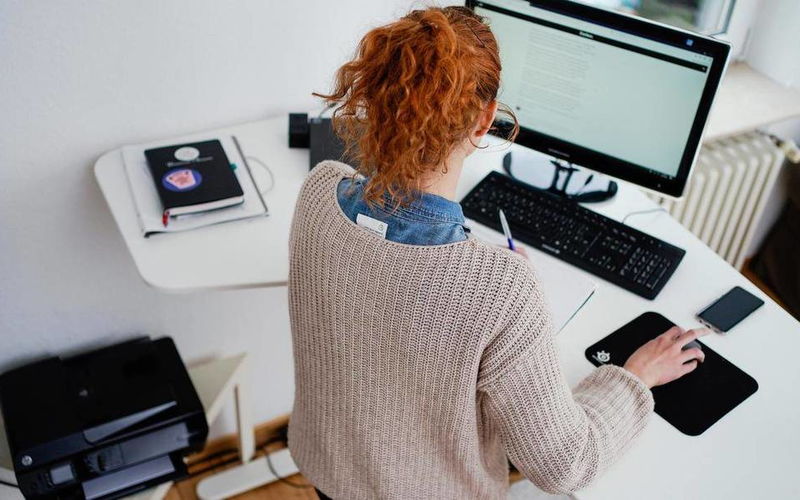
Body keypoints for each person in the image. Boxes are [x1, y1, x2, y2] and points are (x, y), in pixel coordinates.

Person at [287, 6, 707, 499]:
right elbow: (566, 467)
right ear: (485, 119)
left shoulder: (319, 191)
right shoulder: (498, 287)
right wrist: (633, 378)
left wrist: (493, 286)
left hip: (330, 476)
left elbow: (384, 289)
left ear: (374, 100)